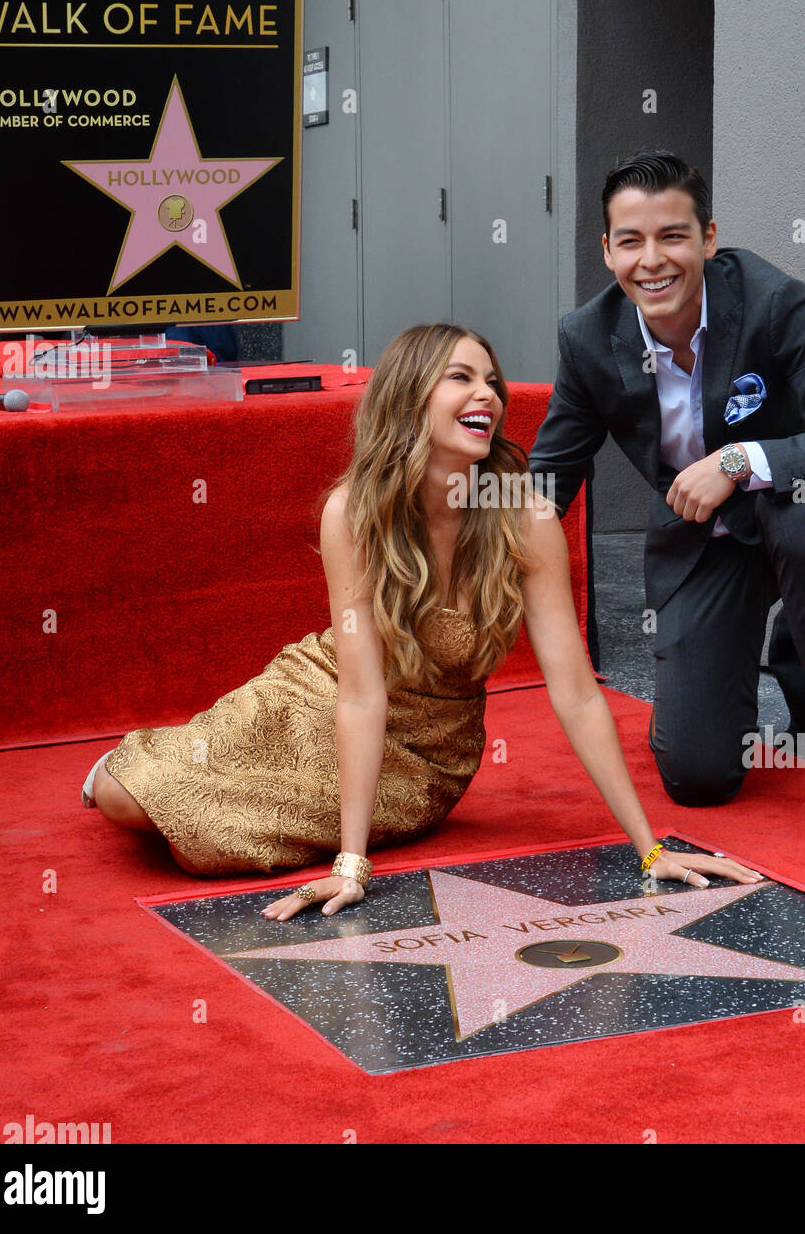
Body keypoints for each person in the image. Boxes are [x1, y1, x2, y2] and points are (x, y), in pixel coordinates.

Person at [83, 323, 763, 918]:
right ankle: (144, 759)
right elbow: (359, 689)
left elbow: (577, 693)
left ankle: (171, 772)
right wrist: (351, 863)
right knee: (122, 794)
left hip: (428, 758)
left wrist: (650, 850)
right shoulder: (353, 513)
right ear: (410, 399)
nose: (487, 395)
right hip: (317, 695)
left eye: (492, 382)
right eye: (460, 377)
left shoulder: (524, 519)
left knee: (198, 841)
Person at [528, 152, 805, 859]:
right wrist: (464, 559)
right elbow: (548, 480)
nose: (653, 261)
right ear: (607, 249)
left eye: (673, 236)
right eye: (632, 241)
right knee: (699, 776)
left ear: (709, 238)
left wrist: (740, 461)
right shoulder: (587, 337)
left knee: (797, 518)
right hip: (704, 533)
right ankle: (764, 645)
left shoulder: (773, 303)